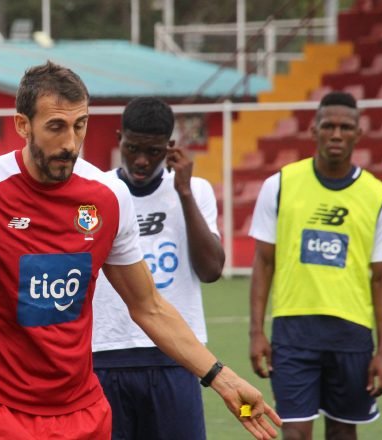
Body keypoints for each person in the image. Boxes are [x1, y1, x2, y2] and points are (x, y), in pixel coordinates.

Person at [0, 61, 280, 440]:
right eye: (56, 126)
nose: (70, 142)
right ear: (22, 125)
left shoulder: (107, 198)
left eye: (80, 125)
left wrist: (222, 378)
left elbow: (149, 307)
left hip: (78, 411)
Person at [248, 91, 382, 439]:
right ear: (313, 130)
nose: (336, 134)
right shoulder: (280, 185)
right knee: (295, 432)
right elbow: (263, 262)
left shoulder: (377, 197)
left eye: (345, 127)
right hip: (293, 332)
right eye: (328, 126)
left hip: (352, 335)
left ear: (358, 134)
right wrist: (257, 331)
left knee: (342, 433)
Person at [92, 97, 224, 439]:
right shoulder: (96, 191)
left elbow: (211, 270)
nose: (140, 160)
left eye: (152, 151)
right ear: (119, 137)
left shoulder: (195, 190)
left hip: (177, 356)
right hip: (105, 353)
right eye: (132, 147)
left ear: (169, 147)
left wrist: (183, 193)